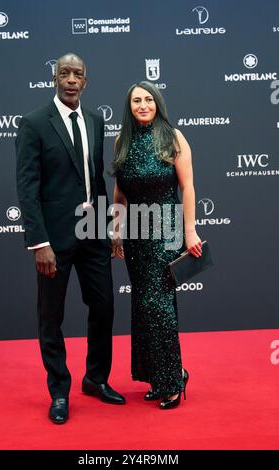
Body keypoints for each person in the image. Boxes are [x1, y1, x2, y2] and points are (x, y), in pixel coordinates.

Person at [16, 52, 125, 424]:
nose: (72, 79)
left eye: (78, 74)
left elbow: (95, 178)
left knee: (105, 306)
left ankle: (95, 379)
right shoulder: (33, 124)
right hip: (54, 240)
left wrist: (110, 228)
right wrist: (39, 242)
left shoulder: (95, 121)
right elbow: (27, 187)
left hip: (93, 233)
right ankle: (59, 391)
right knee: (52, 316)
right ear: (55, 78)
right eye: (65, 73)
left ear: (86, 80)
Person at [112, 81, 202, 409]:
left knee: (158, 306)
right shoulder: (122, 141)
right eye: (136, 100)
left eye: (149, 99)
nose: (143, 105)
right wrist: (116, 231)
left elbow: (188, 187)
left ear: (158, 103)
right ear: (129, 106)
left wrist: (190, 231)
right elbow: (120, 194)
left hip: (166, 229)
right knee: (144, 305)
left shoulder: (174, 137)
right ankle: (161, 374)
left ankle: (173, 381)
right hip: (136, 233)